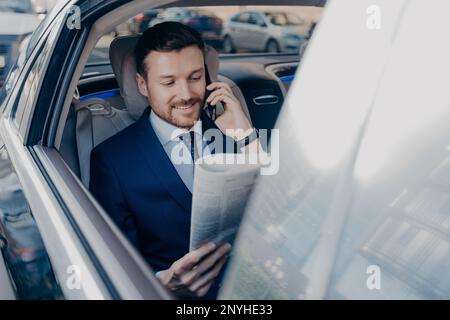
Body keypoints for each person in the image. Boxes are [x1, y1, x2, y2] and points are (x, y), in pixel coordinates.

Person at [89, 22, 258, 299]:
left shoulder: (233, 130)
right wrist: (163, 282)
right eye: (168, 82)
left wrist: (247, 137)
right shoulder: (111, 161)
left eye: (195, 77)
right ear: (142, 85)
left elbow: (276, 212)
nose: (186, 95)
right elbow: (115, 263)